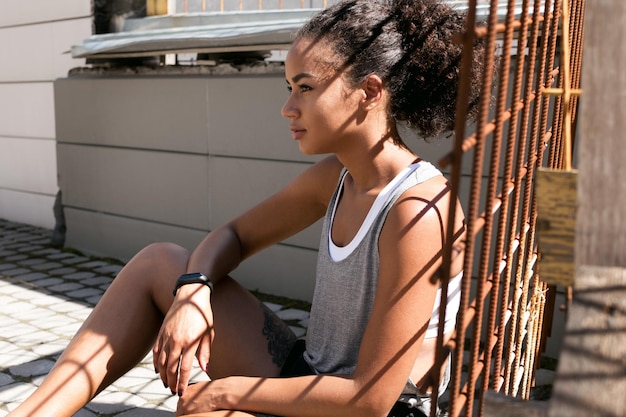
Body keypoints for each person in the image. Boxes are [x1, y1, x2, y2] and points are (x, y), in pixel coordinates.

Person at [9, 0, 487, 416]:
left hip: (368, 409)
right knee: (161, 262)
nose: (287, 108)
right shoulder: (336, 177)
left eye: (305, 87)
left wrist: (221, 394)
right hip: (311, 374)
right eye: (288, 87)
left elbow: (369, 400)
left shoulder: (419, 208)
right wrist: (192, 293)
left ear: (369, 92)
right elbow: (233, 236)